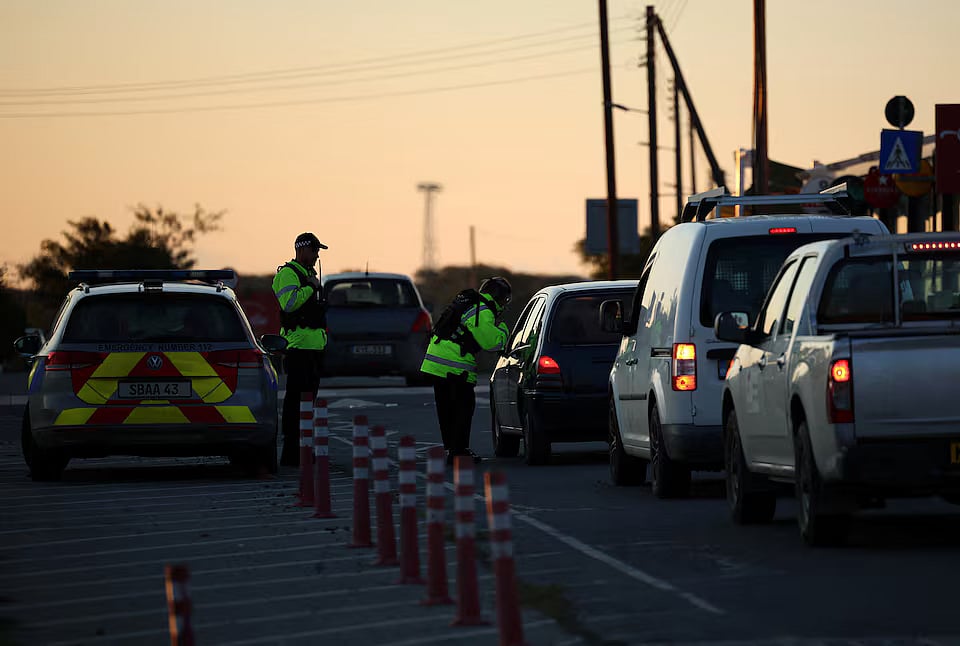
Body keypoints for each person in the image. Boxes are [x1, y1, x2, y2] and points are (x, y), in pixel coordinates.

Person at [420, 276, 512, 464]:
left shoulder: (469, 303)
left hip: (435, 362)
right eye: (504, 300)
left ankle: (452, 450)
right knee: (464, 407)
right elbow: (492, 342)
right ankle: (459, 451)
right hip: (453, 364)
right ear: (498, 297)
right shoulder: (483, 310)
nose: (503, 305)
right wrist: (503, 329)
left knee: (446, 409)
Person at [273, 232, 330, 466]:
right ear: (302, 250)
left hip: (314, 350)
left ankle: (304, 449)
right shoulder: (288, 274)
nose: (317, 255)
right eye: (314, 250)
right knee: (296, 402)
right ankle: (291, 452)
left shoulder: (309, 276)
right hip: (298, 350)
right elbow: (289, 303)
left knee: (308, 404)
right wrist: (310, 287)